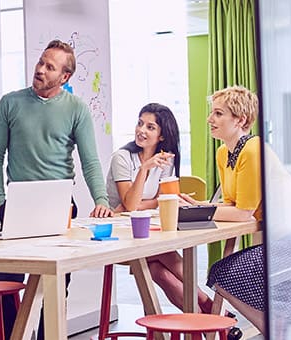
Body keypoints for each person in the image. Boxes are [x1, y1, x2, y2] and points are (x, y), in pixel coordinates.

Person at [0, 39, 113, 339]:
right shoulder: (10, 103)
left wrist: (101, 200)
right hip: (16, 206)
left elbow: (90, 160)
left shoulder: (76, 108)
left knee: (56, 283)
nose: (40, 70)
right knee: (7, 280)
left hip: (60, 207)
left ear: (65, 77)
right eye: (41, 62)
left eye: (50, 67)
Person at [105, 103, 218, 314]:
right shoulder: (122, 157)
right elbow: (130, 204)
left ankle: (203, 319)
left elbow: (161, 199)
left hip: (147, 232)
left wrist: (140, 204)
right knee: (167, 254)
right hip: (121, 235)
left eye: (150, 127)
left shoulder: (165, 160)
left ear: (162, 136)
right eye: (140, 124)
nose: (141, 130)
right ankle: (209, 308)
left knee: (159, 271)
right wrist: (144, 170)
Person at [181, 85, 264, 336]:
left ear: (241, 120)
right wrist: (200, 207)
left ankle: (271, 327)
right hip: (276, 237)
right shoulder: (223, 152)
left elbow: (243, 213)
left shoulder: (252, 148)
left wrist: (201, 212)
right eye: (212, 113)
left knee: (221, 273)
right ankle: (272, 327)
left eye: (218, 113)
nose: (210, 119)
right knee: (220, 273)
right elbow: (231, 204)